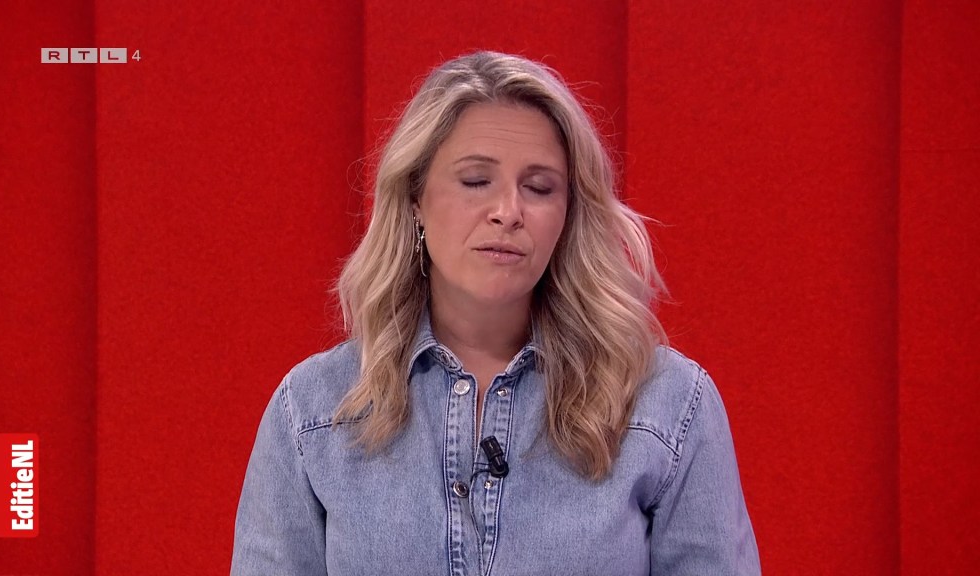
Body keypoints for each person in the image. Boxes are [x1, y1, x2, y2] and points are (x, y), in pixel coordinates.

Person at [230, 50, 760, 575]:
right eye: (476, 181)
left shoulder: (669, 404)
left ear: (568, 216)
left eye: (539, 188)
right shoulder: (312, 410)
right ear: (415, 198)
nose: (508, 212)